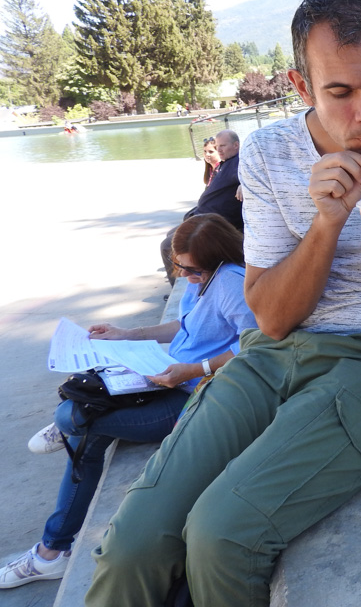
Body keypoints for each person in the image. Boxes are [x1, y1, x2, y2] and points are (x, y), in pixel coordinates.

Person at [85, 0, 361, 607]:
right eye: (340, 92)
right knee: (133, 545)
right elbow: (272, 318)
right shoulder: (270, 153)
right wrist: (326, 221)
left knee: (222, 534)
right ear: (301, 86)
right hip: (271, 357)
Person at [1, 214, 255, 591]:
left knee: (76, 422)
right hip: (166, 378)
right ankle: (51, 551)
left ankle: (51, 551)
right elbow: (185, 326)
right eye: (178, 267)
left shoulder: (232, 281)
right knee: (81, 423)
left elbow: (253, 343)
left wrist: (194, 368)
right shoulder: (201, 276)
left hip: (193, 394)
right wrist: (129, 335)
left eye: (189, 269)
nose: (183, 276)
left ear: (216, 258)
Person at [160, 129, 243, 285]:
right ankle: (184, 278)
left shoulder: (240, 163)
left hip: (215, 223)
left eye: (223, 146)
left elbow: (258, 174)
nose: (219, 150)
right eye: (217, 146)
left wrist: (245, 185)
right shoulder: (225, 164)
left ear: (236, 145)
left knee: (167, 246)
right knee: (170, 235)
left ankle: (179, 285)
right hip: (202, 217)